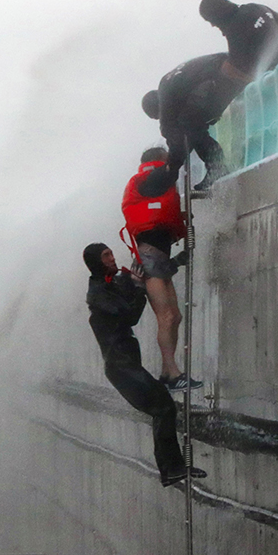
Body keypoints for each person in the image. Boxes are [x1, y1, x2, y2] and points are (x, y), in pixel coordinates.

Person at [82, 242, 206, 487]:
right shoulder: (97, 294)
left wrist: (176, 262)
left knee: (162, 407)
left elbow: (148, 274)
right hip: (120, 367)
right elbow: (131, 315)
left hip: (127, 364)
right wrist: (138, 288)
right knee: (162, 407)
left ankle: (173, 468)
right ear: (97, 262)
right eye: (106, 255)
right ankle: (172, 468)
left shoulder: (113, 283)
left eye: (111, 253)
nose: (112, 257)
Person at [121, 147, 201, 390]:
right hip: (149, 258)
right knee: (165, 317)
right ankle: (171, 372)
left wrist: (177, 259)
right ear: (158, 162)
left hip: (159, 258)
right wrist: (179, 151)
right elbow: (165, 175)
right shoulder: (148, 179)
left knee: (174, 316)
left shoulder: (151, 184)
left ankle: (169, 373)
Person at [141, 54, 240, 189]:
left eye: (157, 117)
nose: (160, 118)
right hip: (231, 63)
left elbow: (173, 134)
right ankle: (216, 167)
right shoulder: (173, 86)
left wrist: (171, 169)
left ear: (158, 109)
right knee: (192, 127)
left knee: (191, 126)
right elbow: (185, 140)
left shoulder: (167, 100)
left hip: (223, 72)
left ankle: (217, 167)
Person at [199, 0, 278, 79]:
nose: (212, 25)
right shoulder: (255, 7)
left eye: (210, 20)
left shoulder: (235, 28)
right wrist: (269, 43)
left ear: (216, 15)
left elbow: (235, 68)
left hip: (273, 80)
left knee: (227, 68)